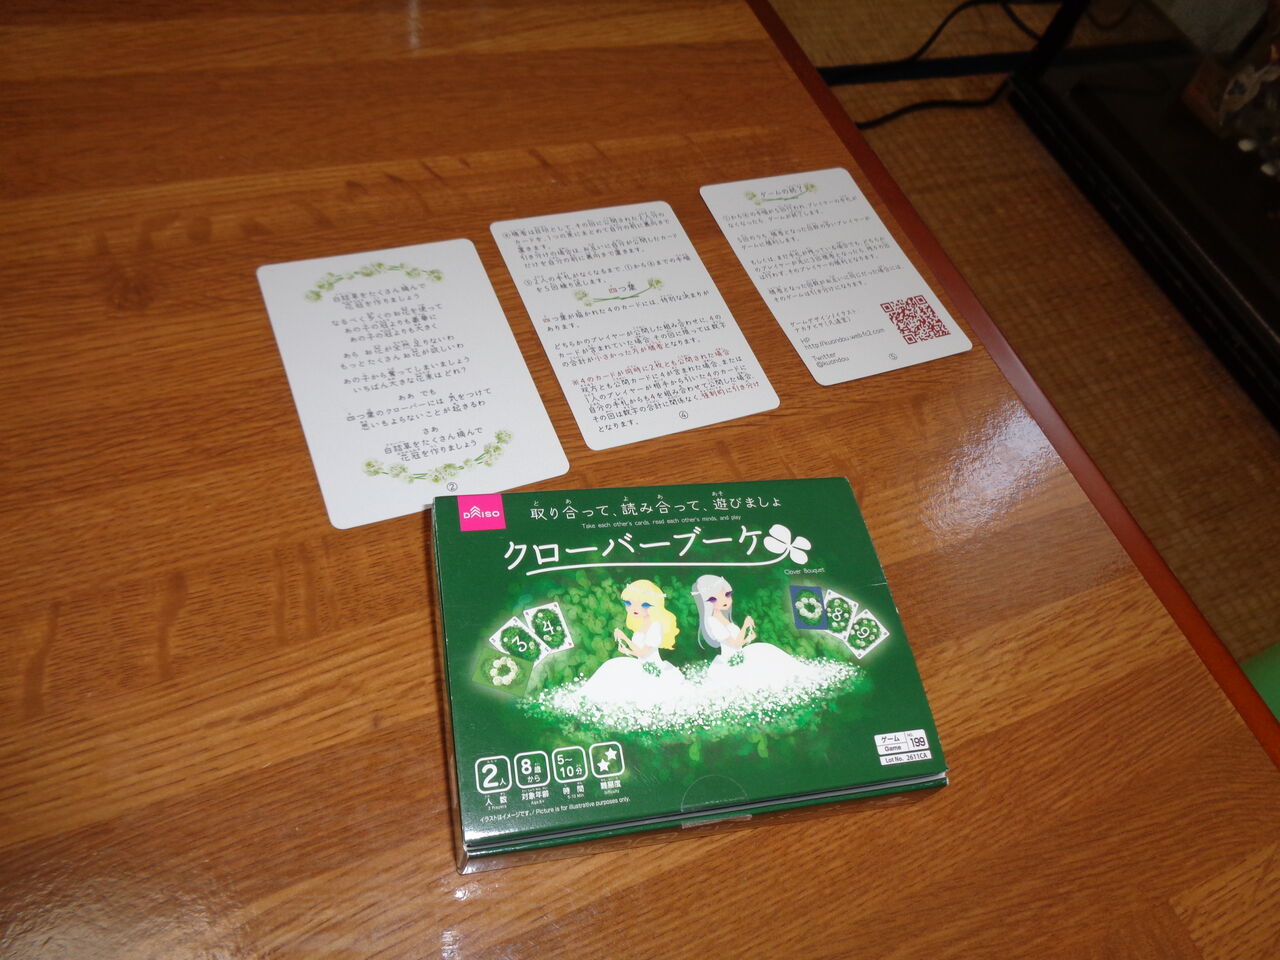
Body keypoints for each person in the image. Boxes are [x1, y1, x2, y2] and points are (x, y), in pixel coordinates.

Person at [575, 579, 684, 703]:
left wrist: (625, 639)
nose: (633, 608)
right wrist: (626, 648)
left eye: (643, 605)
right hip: (641, 663)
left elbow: (644, 653)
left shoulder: (655, 626)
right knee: (612, 666)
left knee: (614, 668)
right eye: (629, 603)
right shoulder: (642, 623)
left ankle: (593, 700)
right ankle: (588, 699)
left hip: (651, 668)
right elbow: (640, 652)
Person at [690, 574, 797, 685]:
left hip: (740, 654)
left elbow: (736, 643)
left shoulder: (722, 617)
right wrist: (745, 626)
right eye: (715, 599)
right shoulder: (713, 621)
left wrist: (748, 638)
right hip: (731, 662)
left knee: (769, 654)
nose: (725, 600)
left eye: (727, 595)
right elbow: (735, 644)